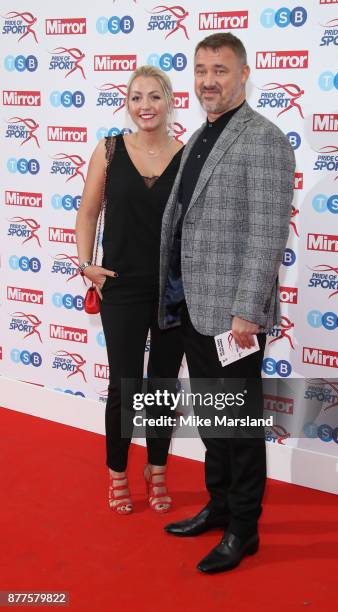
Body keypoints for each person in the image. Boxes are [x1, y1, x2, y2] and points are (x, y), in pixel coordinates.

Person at [158, 33, 295, 572]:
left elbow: (267, 233)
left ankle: (244, 528)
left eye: (220, 69)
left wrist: (246, 311)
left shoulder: (263, 139)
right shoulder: (199, 136)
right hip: (194, 304)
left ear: (243, 74)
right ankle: (217, 507)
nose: (208, 80)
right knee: (215, 422)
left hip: (234, 315)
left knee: (238, 427)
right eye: (200, 69)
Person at [75, 65, 184, 515]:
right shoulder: (109, 149)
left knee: (162, 384)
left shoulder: (188, 153)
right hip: (120, 287)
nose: (145, 106)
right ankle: (117, 473)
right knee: (125, 386)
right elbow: (87, 212)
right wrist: (86, 264)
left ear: (169, 100)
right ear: (127, 102)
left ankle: (156, 469)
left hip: (174, 290)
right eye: (137, 97)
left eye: (154, 97)